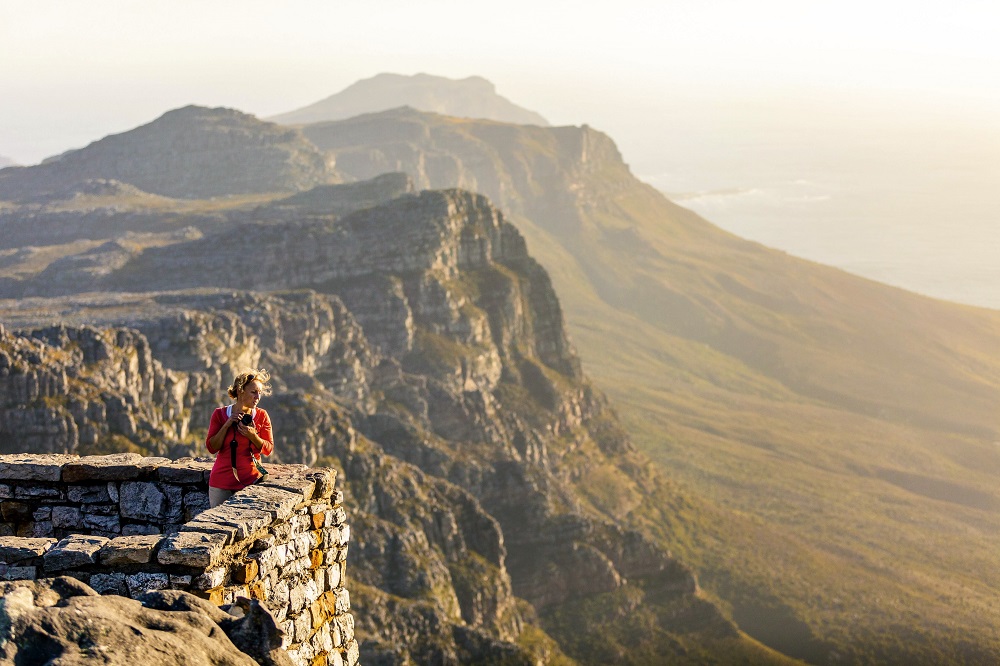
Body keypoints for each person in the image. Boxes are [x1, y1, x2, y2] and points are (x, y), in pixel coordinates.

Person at [206, 369, 274, 508]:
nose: (258, 397)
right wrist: (227, 424)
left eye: (260, 393)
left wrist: (252, 435)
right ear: (240, 391)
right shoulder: (220, 414)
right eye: (253, 392)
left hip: (251, 481)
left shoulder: (262, 415)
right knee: (219, 527)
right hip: (221, 483)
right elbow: (212, 447)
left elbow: (268, 449)